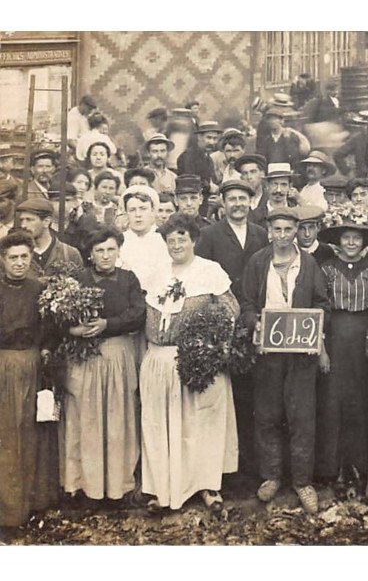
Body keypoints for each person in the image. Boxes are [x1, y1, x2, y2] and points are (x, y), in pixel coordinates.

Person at [138, 213, 239, 513]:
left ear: (194, 240)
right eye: (171, 239)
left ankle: (207, 487)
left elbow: (231, 311)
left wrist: (211, 347)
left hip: (199, 361)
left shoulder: (210, 271)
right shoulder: (156, 273)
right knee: (160, 425)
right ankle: (161, 489)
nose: (177, 243)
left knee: (200, 425)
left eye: (182, 237)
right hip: (159, 359)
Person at [240, 207, 330, 515]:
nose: (282, 236)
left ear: (297, 231)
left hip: (300, 355)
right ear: (269, 230)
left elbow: (321, 302)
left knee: (301, 417)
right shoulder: (257, 262)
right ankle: (272, 476)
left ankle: (303, 481)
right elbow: (248, 303)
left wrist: (315, 334)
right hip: (268, 354)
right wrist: (256, 324)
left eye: (288, 230)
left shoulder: (309, 263)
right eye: (276, 229)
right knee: (267, 415)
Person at [61, 227, 146, 503]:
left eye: (111, 249)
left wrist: (108, 324)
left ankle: (118, 486)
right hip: (85, 357)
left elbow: (138, 313)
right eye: (100, 251)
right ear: (90, 254)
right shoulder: (78, 279)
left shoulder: (128, 279)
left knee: (118, 418)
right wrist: (74, 330)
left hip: (118, 353)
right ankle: (86, 485)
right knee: (86, 418)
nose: (106, 256)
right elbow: (61, 315)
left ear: (118, 251)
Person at [195, 179, 269, 480]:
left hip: (254, 320)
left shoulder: (261, 234)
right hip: (222, 321)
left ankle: (252, 467)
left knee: (253, 394)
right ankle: (224, 470)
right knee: (224, 395)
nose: (238, 204)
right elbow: (201, 276)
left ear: (251, 202)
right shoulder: (210, 235)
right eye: (232, 199)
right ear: (222, 204)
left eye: (243, 198)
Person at [315, 221, 368, 486]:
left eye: (357, 238)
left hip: (362, 336)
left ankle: (359, 465)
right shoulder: (327, 269)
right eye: (347, 238)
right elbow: (320, 307)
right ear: (339, 241)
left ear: (364, 242)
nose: (352, 243)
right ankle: (329, 468)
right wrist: (322, 349)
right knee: (332, 401)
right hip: (335, 336)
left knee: (359, 401)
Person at [0, 231, 60, 530]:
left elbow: (50, 330)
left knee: (34, 432)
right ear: (3, 260)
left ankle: (35, 503)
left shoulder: (40, 289)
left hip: (34, 367)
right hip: (4, 367)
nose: (20, 263)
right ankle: (8, 511)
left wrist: (46, 351)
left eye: (25, 256)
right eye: (13, 258)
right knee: (7, 435)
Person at [13, 197, 83, 277]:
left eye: (29, 220)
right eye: (21, 220)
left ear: (46, 222)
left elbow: (79, 285)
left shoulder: (69, 253)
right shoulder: (15, 254)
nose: (23, 225)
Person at [177, 121, 222, 216]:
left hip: (205, 207)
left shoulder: (208, 158)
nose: (212, 142)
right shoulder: (188, 156)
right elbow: (189, 182)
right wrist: (209, 187)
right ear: (199, 137)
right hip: (191, 208)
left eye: (215, 138)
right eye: (208, 137)